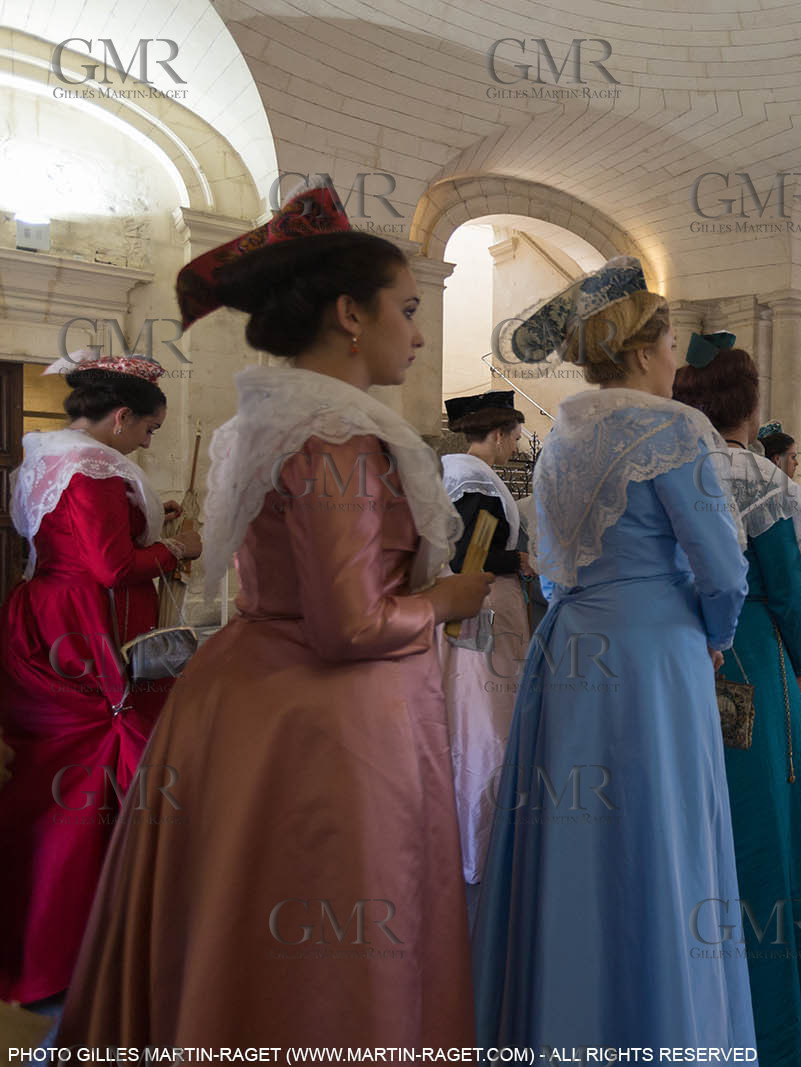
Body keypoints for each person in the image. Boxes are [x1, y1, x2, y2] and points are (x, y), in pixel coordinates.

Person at [59, 179, 491, 1045]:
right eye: (407, 308)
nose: (419, 329)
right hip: (327, 725)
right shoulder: (339, 435)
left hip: (247, 700)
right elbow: (350, 626)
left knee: (238, 924)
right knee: (328, 956)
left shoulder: (276, 418)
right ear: (349, 314)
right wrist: (446, 600)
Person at [473, 259, 758, 1050]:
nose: (678, 361)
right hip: (651, 655)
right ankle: (657, 1021)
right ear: (639, 350)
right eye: (670, 343)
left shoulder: (564, 428)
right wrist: (715, 636)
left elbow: (553, 555)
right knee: (656, 842)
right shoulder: (669, 426)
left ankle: (565, 1021)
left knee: (575, 844)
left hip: (567, 647)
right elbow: (723, 566)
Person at [671, 339, 801, 1064]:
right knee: (764, 821)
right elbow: (782, 584)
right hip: (749, 655)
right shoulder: (752, 473)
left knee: (690, 817)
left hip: (671, 655)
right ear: (748, 404)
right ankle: (778, 1013)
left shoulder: (662, 464)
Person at [0, 353, 199, 1006]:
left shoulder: (51, 460)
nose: (148, 440)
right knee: (88, 788)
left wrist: (146, 518)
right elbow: (114, 567)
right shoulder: (95, 474)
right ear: (121, 417)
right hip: (89, 637)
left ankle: (42, 938)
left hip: (45, 621)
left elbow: (77, 544)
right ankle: (81, 948)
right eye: (149, 429)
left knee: (48, 779)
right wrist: (178, 549)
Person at [438, 390, 534, 885]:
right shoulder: (476, 481)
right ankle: (483, 842)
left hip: (470, 608)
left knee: (466, 722)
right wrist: (517, 559)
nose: (516, 448)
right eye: (515, 437)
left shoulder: (454, 474)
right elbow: (469, 558)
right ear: (496, 435)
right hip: (486, 610)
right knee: (488, 730)